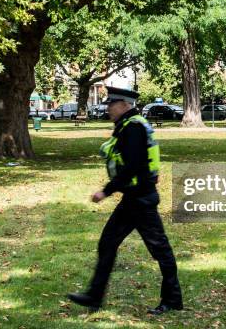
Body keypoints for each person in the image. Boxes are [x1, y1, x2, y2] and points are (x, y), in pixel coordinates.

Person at [67, 86, 183, 315]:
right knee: (108, 242)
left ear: (125, 105)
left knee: (160, 250)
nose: (108, 108)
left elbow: (132, 166)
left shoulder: (133, 128)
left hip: (140, 201)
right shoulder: (130, 126)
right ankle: (94, 296)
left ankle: (173, 299)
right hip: (135, 199)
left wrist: (106, 191)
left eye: (112, 103)